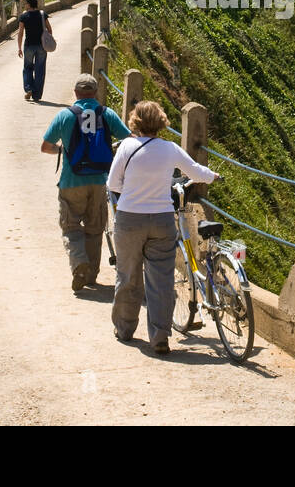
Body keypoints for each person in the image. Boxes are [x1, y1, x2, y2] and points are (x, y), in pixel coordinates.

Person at [106, 100, 219, 355]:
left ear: (135, 121)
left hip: (129, 219)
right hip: (162, 220)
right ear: (161, 121)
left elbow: (113, 183)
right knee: (161, 281)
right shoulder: (170, 149)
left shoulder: (127, 146)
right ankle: (159, 337)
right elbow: (196, 171)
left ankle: (124, 329)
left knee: (127, 275)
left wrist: (133, 194)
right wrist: (213, 176)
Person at [41, 74, 131, 291]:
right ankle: (91, 274)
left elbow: (46, 146)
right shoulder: (106, 114)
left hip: (71, 181)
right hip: (100, 181)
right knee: (94, 228)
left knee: (71, 226)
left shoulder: (65, 115)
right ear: (96, 93)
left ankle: (79, 262)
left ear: (75, 93)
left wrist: (61, 150)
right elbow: (129, 139)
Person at [16, 0, 53, 101]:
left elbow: (20, 33)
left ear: (29, 4)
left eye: (25, 3)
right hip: (41, 46)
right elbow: (49, 29)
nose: (24, 5)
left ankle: (28, 88)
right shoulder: (42, 15)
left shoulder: (24, 16)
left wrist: (19, 48)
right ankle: (37, 96)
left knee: (27, 68)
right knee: (40, 70)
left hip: (28, 46)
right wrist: (47, 40)